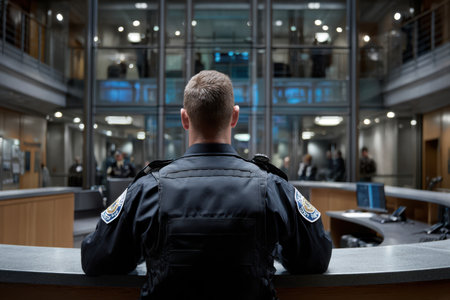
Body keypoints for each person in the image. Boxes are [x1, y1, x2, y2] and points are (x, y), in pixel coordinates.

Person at [81, 70, 332, 300]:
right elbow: (316, 258)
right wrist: (273, 247)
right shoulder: (273, 187)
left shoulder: (147, 188)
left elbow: (95, 258)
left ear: (184, 119)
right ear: (234, 116)